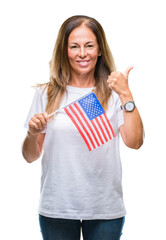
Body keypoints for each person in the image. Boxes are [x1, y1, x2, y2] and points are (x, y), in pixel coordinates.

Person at [22, 15, 144, 240]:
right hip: (58, 206)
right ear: (64, 50)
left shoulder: (114, 94)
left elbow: (134, 142)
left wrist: (126, 93)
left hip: (105, 207)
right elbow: (30, 156)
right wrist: (32, 133)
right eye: (74, 46)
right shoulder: (46, 94)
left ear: (99, 49)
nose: (82, 53)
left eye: (89, 45)